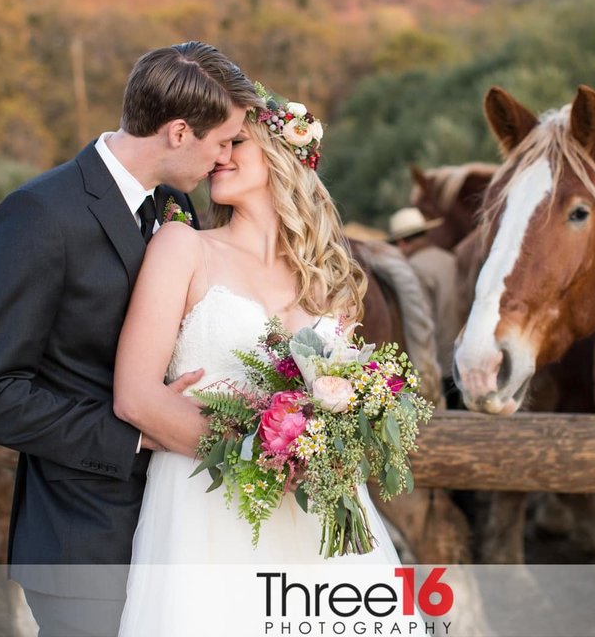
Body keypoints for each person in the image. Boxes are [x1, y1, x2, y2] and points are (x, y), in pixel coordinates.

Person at [0, 41, 263, 637]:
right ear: (177, 133)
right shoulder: (39, 214)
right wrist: (138, 429)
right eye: (222, 142)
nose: (225, 157)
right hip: (83, 540)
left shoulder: (173, 204)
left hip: (177, 528)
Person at [113, 92, 402, 635]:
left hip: (315, 517)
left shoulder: (328, 279)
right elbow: (134, 395)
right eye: (216, 144)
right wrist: (258, 459)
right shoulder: (183, 247)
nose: (218, 155)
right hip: (206, 508)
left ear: (283, 153)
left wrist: (339, 442)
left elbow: (348, 404)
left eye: (235, 142)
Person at [388, 207, 462, 378]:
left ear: (401, 243)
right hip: (464, 356)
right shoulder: (450, 259)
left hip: (440, 363)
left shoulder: (412, 269)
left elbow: (420, 323)